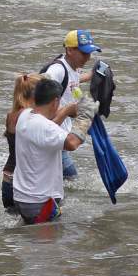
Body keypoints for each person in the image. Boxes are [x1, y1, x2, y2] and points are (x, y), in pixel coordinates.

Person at [11, 77, 94, 224]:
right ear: (56, 101)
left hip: (22, 197)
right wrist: (85, 116)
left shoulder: (24, 116)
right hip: (40, 202)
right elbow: (72, 143)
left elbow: (47, 127)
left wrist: (68, 110)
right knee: (48, 246)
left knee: (30, 242)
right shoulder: (44, 127)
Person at [40, 29, 100, 179]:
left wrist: (93, 74)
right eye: (84, 53)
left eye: (89, 53)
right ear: (70, 50)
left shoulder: (72, 67)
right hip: (52, 137)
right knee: (71, 180)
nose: (88, 57)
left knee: (66, 181)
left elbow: (74, 80)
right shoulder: (57, 70)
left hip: (59, 136)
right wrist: (68, 110)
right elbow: (38, 91)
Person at [1, 72, 39, 212]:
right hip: (23, 182)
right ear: (36, 94)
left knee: (15, 231)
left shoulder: (11, 115)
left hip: (8, 178)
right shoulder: (30, 116)